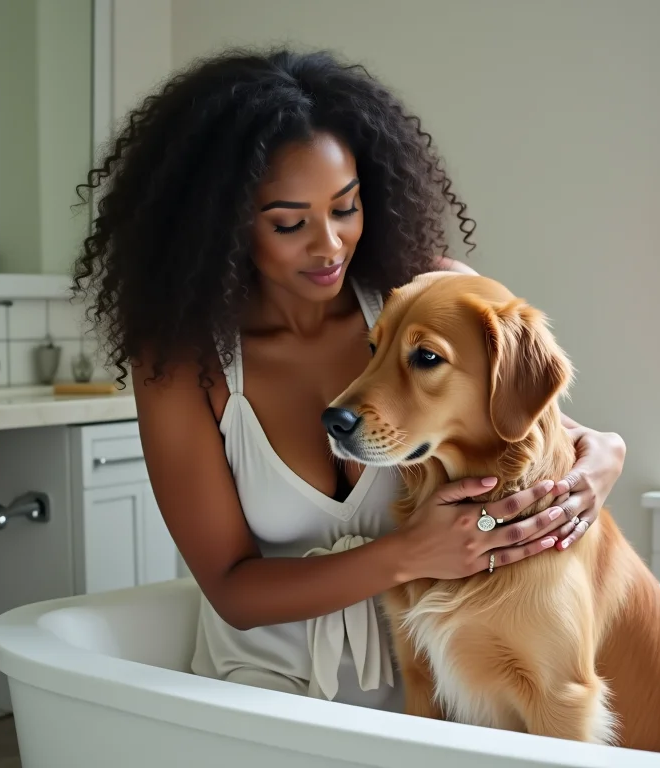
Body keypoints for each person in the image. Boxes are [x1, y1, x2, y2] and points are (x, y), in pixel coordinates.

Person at [72, 48, 626, 711]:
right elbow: (232, 591)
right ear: (221, 226)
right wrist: (408, 554)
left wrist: (604, 460)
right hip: (265, 690)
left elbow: (530, 425)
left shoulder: (421, 298)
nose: (330, 244)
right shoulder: (183, 361)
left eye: (346, 207)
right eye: (288, 223)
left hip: (432, 688)